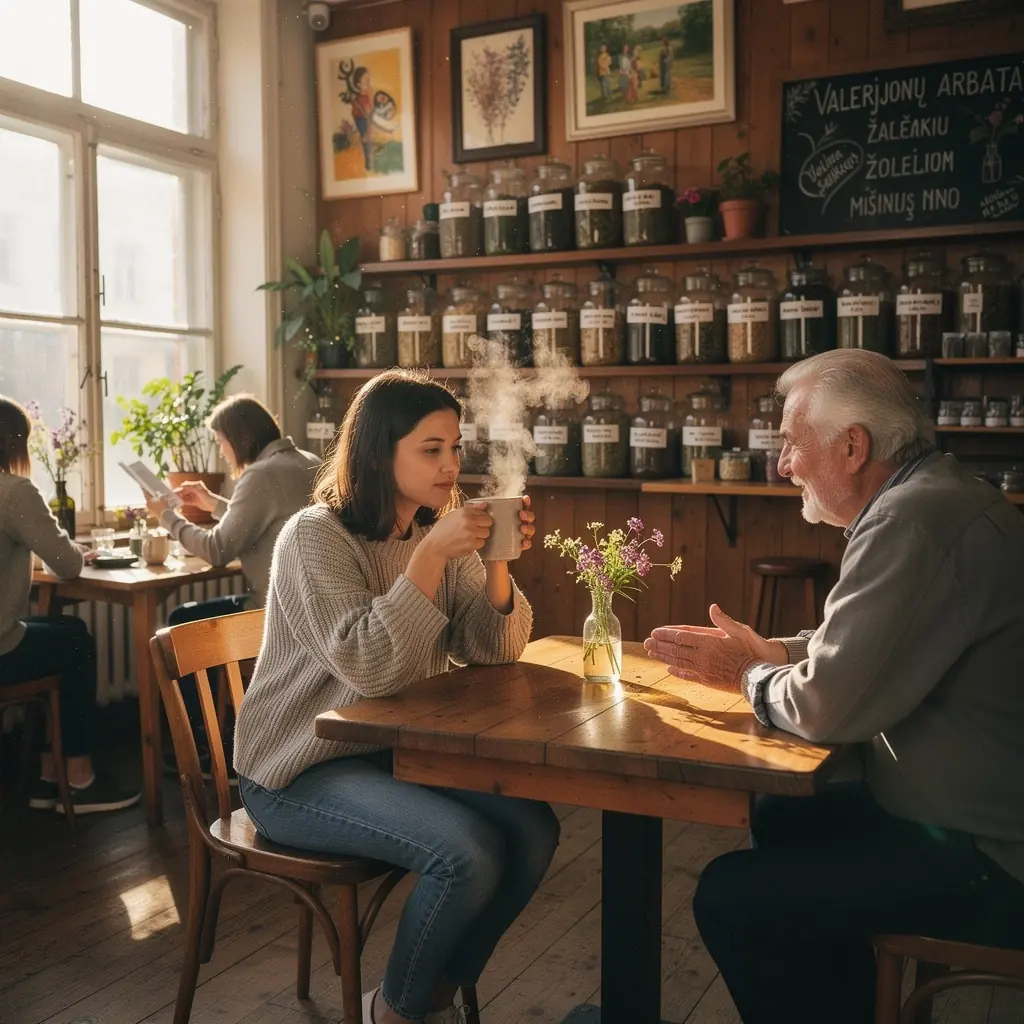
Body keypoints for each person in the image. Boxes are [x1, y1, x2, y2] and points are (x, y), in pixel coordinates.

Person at [644, 349, 1024, 1024]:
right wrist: (773, 652)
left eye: (793, 442)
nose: (784, 463)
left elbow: (823, 707)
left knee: (734, 896)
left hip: (994, 858)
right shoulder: (931, 494)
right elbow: (870, 645)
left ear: (853, 447)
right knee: (783, 814)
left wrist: (743, 673)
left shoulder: (912, 518)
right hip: (967, 821)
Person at [233, 371, 559, 1024]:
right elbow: (371, 667)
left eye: (455, 448)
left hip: (389, 752)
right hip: (296, 769)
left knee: (533, 829)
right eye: (430, 449)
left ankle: (431, 990)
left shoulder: (434, 527)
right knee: (464, 852)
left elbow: (491, 649)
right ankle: (397, 1012)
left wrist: (497, 560)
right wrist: (429, 561)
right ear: (381, 454)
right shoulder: (314, 537)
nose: (450, 466)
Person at [0, 396, 140, 815]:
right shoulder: (13, 491)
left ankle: (48, 774)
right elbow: (65, 563)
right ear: (14, 444)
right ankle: (75, 777)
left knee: (63, 633)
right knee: (76, 642)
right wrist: (75, 551)